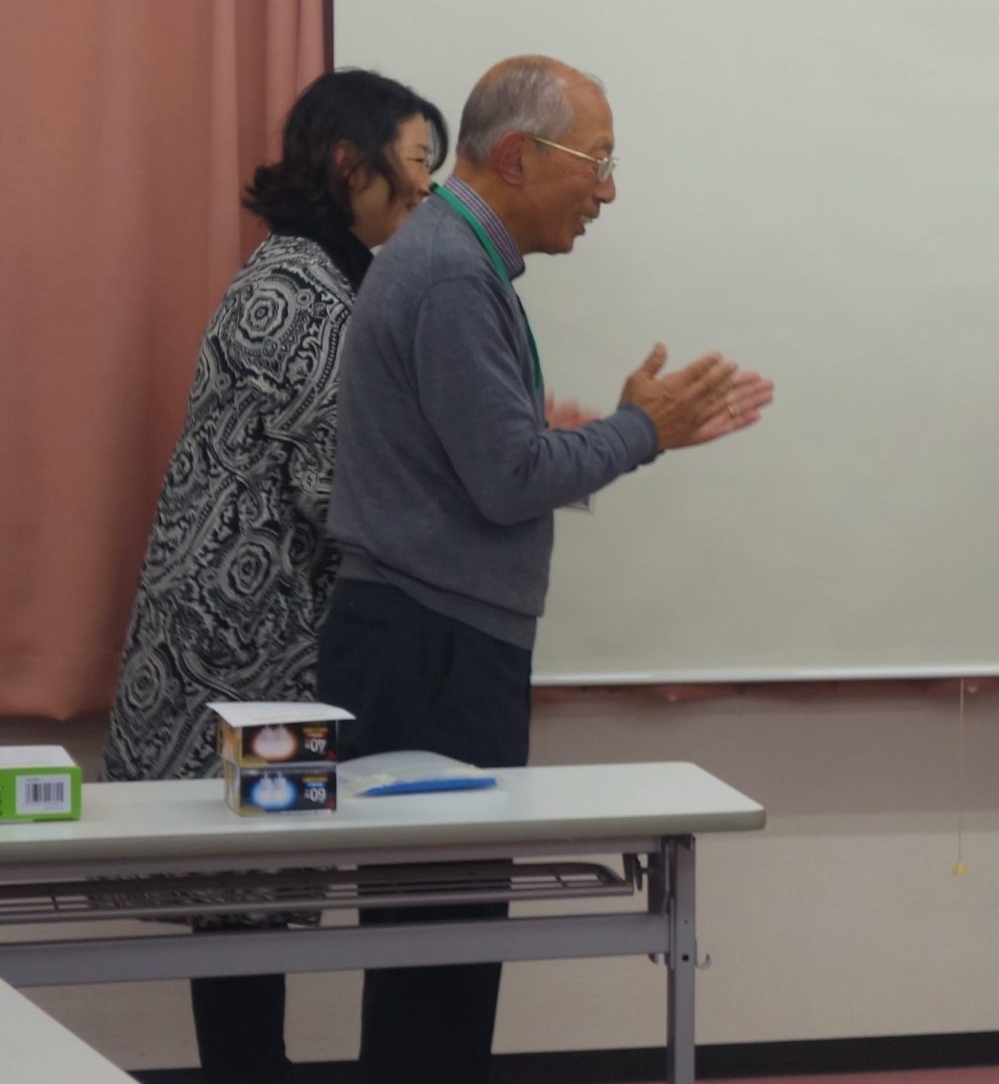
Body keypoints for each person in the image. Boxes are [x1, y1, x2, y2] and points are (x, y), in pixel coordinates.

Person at [315, 54, 774, 1084]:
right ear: (519, 157)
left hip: (427, 639)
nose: (606, 192)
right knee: (438, 964)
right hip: (429, 650)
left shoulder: (450, 258)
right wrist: (640, 430)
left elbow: (481, 466)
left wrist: (575, 438)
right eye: (597, 162)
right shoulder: (451, 271)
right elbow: (508, 481)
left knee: (438, 959)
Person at [101, 68, 448, 1084]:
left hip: (251, 642)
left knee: (248, 908)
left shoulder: (319, 279)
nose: (428, 190)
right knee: (245, 909)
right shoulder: (296, 291)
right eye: (417, 163)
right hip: (242, 655)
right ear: (351, 164)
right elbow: (336, 485)